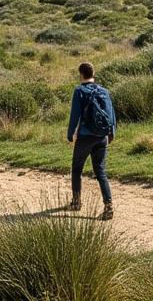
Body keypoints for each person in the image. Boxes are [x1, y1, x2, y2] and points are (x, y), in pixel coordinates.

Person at [66, 61, 116, 220]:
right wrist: (111, 134)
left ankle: (76, 202)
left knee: (77, 169)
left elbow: (75, 116)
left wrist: (70, 135)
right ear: (93, 73)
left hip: (85, 137)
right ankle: (108, 206)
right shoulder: (104, 91)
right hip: (102, 137)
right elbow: (111, 114)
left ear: (81, 74)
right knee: (100, 171)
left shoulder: (79, 91)